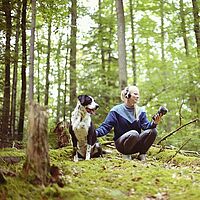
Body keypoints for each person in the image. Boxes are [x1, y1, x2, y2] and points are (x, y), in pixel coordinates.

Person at [96, 85, 162, 161]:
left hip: (136, 144)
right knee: (134, 133)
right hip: (121, 145)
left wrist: (154, 123)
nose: (138, 96)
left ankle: (142, 154)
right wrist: (95, 133)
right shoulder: (116, 110)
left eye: (138, 94)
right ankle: (126, 155)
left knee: (153, 131)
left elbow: (146, 126)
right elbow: (106, 127)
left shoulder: (140, 111)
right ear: (127, 95)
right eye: (135, 94)